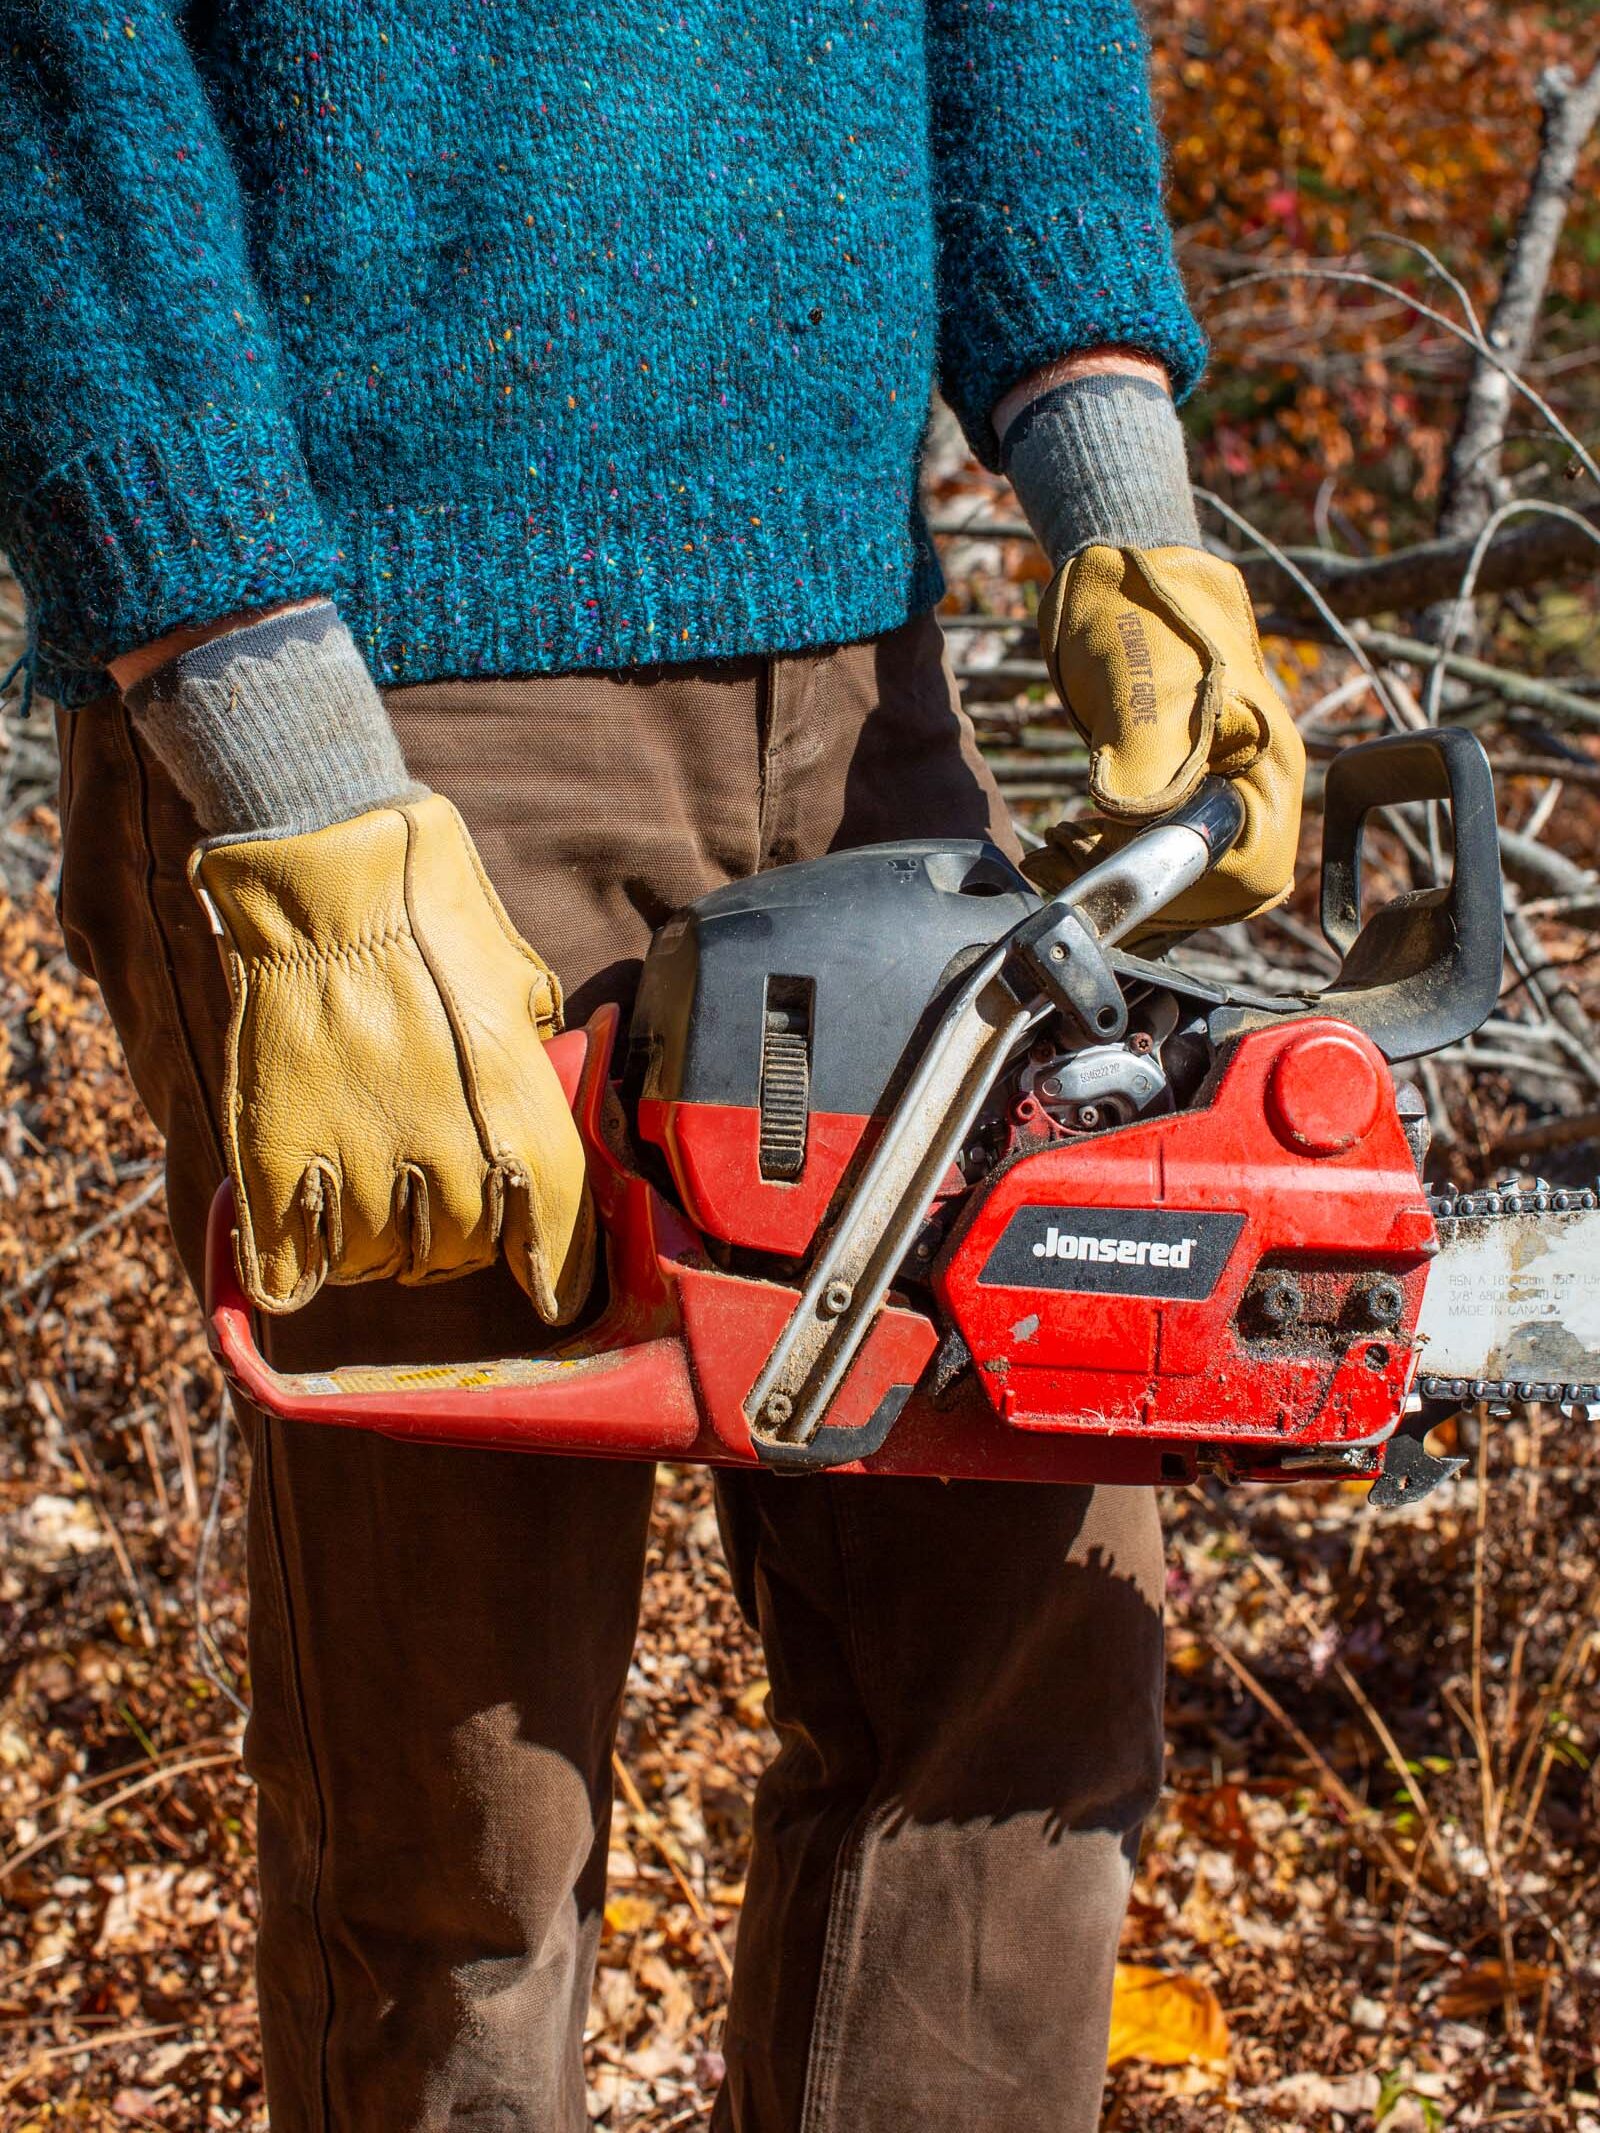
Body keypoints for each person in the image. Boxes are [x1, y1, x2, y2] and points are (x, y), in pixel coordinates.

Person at [0, 3, 1303, 2127]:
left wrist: (1115, 496)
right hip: (379, 718)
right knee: (461, 1823)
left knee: (1004, 1716)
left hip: (859, 691)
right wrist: (272, 743)